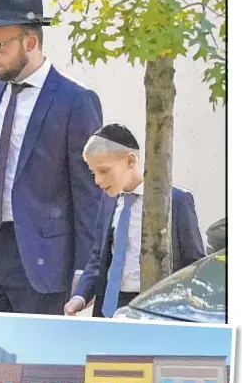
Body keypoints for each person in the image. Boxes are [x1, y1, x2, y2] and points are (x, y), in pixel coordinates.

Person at [0, 0, 104, 383]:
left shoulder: (75, 101)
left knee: (43, 363)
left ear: (31, 41)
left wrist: (84, 273)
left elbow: (90, 193)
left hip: (45, 258)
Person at [64, 123, 205, 317]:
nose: (97, 180)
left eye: (103, 171)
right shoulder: (108, 201)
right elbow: (99, 257)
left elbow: (193, 264)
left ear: (130, 161)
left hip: (155, 309)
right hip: (111, 307)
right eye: (93, 172)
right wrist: (79, 296)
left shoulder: (176, 201)